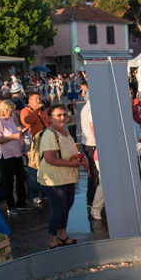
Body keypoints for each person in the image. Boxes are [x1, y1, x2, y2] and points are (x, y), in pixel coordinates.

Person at [38, 104, 87, 248]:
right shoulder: (50, 134)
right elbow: (49, 159)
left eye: (64, 115)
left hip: (67, 177)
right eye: (58, 115)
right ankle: (53, 239)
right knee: (58, 209)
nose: (62, 117)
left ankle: (63, 236)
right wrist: (72, 164)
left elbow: (70, 152)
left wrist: (79, 159)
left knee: (66, 206)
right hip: (54, 179)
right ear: (50, 118)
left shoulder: (66, 133)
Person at [0, 100, 31, 215]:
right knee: (8, 180)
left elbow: (15, 130)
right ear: (3, 109)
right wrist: (13, 136)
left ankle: (21, 202)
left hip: (16, 152)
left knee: (21, 177)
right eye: (9, 110)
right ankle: (10, 204)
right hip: (5, 154)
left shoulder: (11, 118)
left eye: (12, 110)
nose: (11, 113)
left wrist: (21, 133)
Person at [78, 81, 99, 208]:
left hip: (88, 143)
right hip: (92, 143)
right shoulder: (91, 107)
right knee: (95, 172)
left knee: (93, 172)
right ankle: (92, 199)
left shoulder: (87, 106)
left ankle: (92, 198)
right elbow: (93, 127)